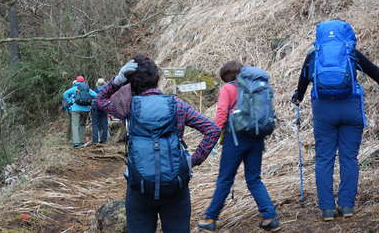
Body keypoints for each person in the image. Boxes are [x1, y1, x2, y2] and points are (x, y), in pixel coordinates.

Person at [95, 54, 221, 233]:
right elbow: (213, 130)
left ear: (130, 82)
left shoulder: (128, 107)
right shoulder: (176, 105)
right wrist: (192, 161)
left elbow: (99, 101)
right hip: (176, 186)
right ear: (157, 79)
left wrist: (117, 81)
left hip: (140, 187)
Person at [291, 19, 379, 221]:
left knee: (324, 159)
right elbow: (375, 73)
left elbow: (302, 81)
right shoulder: (351, 53)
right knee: (349, 159)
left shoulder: (314, 55)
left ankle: (327, 209)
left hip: (323, 113)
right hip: (351, 109)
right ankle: (347, 206)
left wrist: (298, 97)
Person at [197, 61, 280, 232]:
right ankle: (270, 217)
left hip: (235, 138)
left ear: (226, 77)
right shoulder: (256, 87)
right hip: (256, 136)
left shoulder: (228, 88)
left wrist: (213, 136)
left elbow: (221, 113)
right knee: (254, 179)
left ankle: (210, 218)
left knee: (225, 179)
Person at [62, 76, 97, 148]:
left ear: (77, 81)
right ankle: (81, 141)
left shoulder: (74, 88)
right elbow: (96, 95)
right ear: (84, 81)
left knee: (75, 125)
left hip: (75, 109)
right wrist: (91, 102)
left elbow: (64, 94)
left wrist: (70, 101)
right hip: (86, 109)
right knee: (82, 125)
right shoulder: (87, 89)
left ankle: (76, 142)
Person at [91, 78, 109, 143]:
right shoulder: (107, 90)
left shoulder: (95, 90)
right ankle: (104, 140)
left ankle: (95, 140)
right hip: (104, 107)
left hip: (95, 107)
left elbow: (92, 98)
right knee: (104, 123)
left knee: (95, 124)